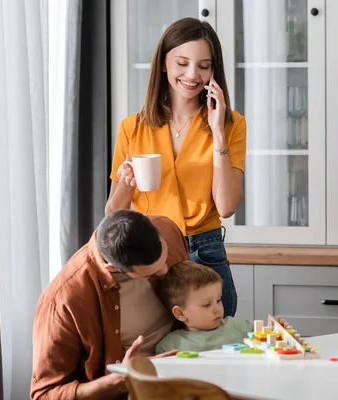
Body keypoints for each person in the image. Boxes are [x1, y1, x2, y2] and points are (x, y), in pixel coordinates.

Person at [105, 17, 246, 319]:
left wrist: (218, 131)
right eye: (182, 63)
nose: (192, 75)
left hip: (204, 250)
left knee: (216, 351)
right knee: (158, 352)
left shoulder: (232, 125)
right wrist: (127, 184)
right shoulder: (133, 127)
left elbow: (227, 205)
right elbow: (113, 214)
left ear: (213, 71)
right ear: (164, 64)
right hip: (151, 252)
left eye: (204, 66)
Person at [31, 210, 188, 400]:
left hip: (189, 365)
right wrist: (120, 380)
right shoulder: (63, 300)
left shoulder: (166, 227)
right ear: (112, 268)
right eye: (149, 274)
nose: (165, 272)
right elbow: (44, 394)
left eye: (165, 256)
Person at [155, 261, 252, 354]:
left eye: (218, 300)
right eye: (206, 304)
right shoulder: (170, 345)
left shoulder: (235, 326)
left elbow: (265, 331)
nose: (217, 309)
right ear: (180, 313)